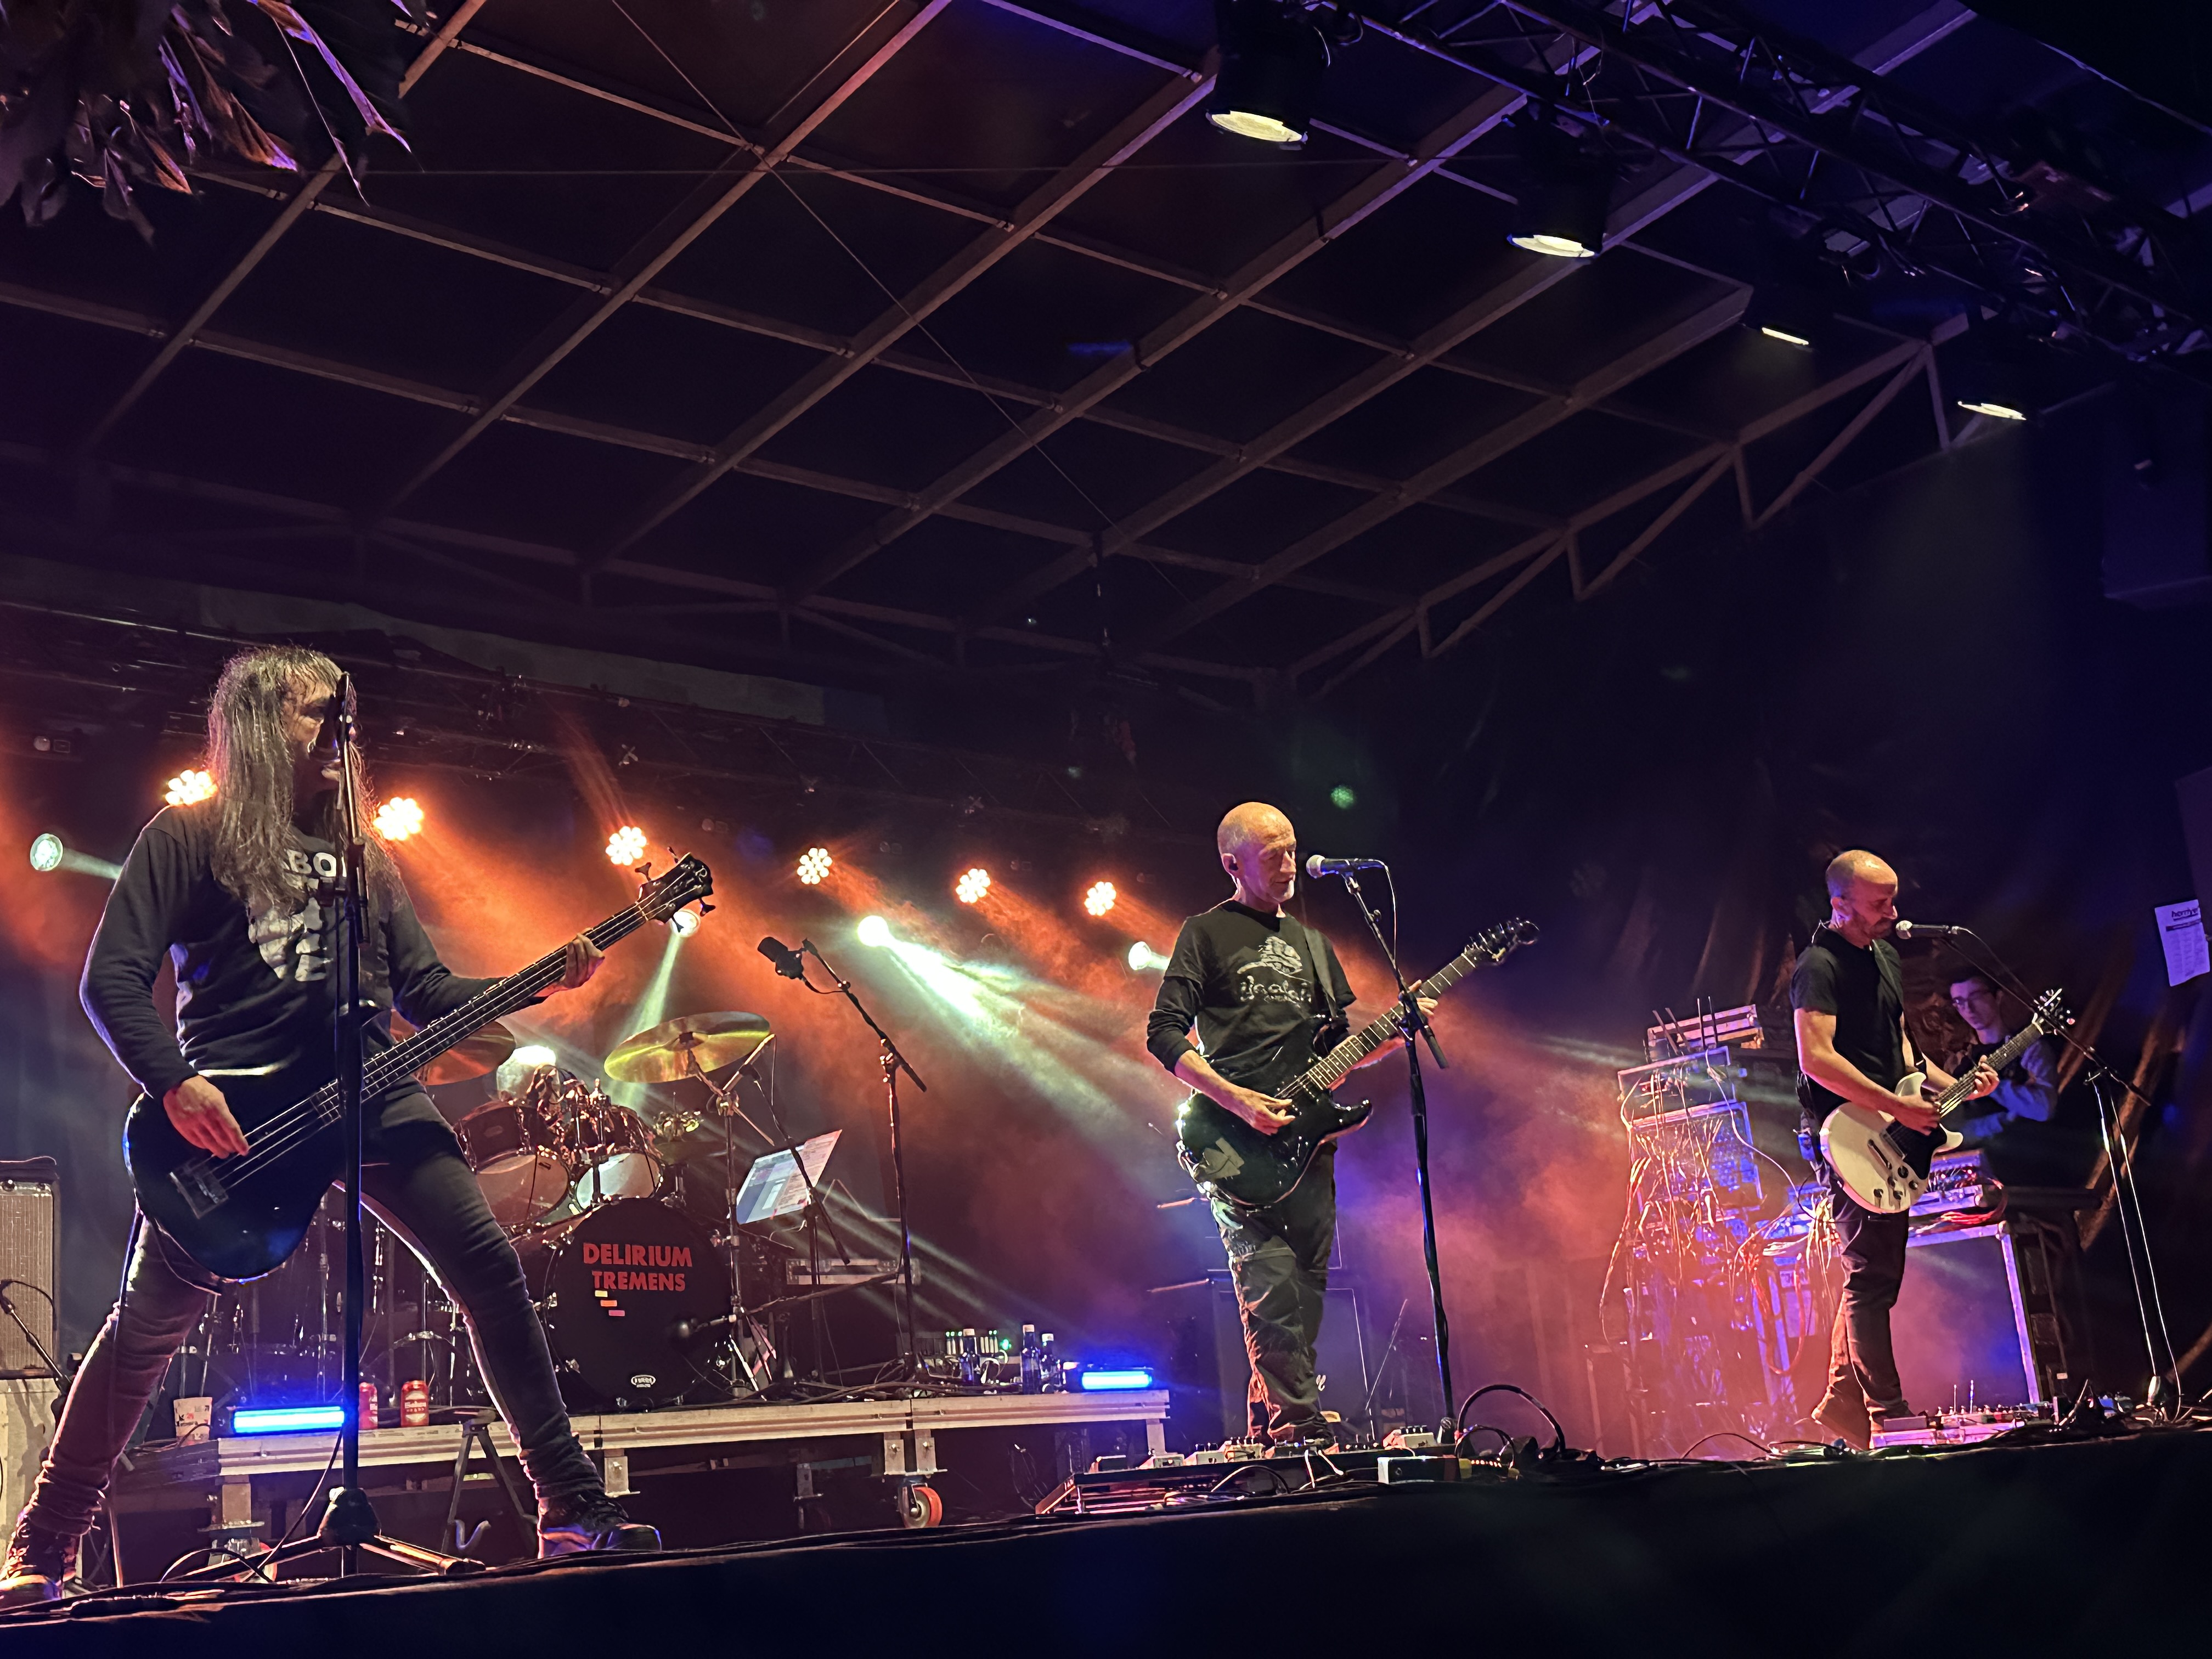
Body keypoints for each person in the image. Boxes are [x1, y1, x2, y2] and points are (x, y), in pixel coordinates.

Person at [1, 646, 656, 1606]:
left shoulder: (365, 858)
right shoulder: (189, 834)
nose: (340, 732)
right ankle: (45, 1542)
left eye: (345, 715)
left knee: (489, 1266)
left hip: (373, 1092)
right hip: (237, 1119)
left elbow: (425, 992)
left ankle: (568, 1503)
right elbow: (112, 980)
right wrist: (176, 1084)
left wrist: (539, 979)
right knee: (146, 1328)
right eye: (316, 712)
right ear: (263, 723)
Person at [1143, 802, 1430, 1446]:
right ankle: (1301, 1432)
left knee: (1304, 1292)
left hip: (1308, 1146)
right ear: (1233, 864)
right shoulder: (1206, 934)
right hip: (1233, 1139)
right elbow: (1163, 1035)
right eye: (1272, 854)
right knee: (1269, 1286)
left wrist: (1391, 1038)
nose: (1289, 864)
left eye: (1292, 850)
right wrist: (1239, 1101)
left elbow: (1336, 1057)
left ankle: (1269, 1424)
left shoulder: (1314, 947)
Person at [1792, 849, 1997, 1451]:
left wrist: (1954, 1083)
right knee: (1871, 1278)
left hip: (1888, 1124)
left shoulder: (1884, 956)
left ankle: (1841, 1402)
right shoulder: (1818, 965)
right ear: (1840, 904)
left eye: (1893, 900)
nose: (1893, 912)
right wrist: (1896, 1106)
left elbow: (1904, 1049)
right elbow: (1816, 1058)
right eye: (1879, 904)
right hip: (1848, 1134)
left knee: (1874, 1272)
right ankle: (1888, 1414)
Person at [1946, 972, 2059, 1147]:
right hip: (1973, 1157)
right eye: (1959, 1002)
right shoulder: (1958, 1063)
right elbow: (1954, 1128)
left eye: (1976, 997)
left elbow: (2042, 1108)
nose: (1968, 1008)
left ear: (1998, 997)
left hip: (2027, 1148)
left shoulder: (2030, 1049)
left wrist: (1993, 1087)